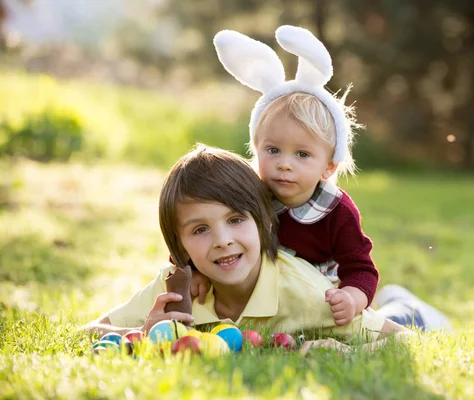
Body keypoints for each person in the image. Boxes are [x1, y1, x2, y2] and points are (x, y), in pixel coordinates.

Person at [85, 145, 450, 352]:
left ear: (263, 224)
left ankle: (409, 304)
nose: (223, 239)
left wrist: (343, 350)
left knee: (403, 318)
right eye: (200, 229)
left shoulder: (306, 293)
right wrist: (143, 333)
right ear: (179, 248)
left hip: (380, 316)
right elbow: (90, 331)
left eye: (236, 220)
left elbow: (401, 342)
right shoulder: (175, 289)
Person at [206, 25, 379, 327]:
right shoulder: (244, 192)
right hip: (262, 305)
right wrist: (191, 274)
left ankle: (404, 305)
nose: (285, 164)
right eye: (273, 150)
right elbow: (204, 227)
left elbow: (361, 268)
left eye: (302, 154)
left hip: (317, 306)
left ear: (329, 166)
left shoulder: (336, 211)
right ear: (256, 148)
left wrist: (351, 298)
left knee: (382, 325)